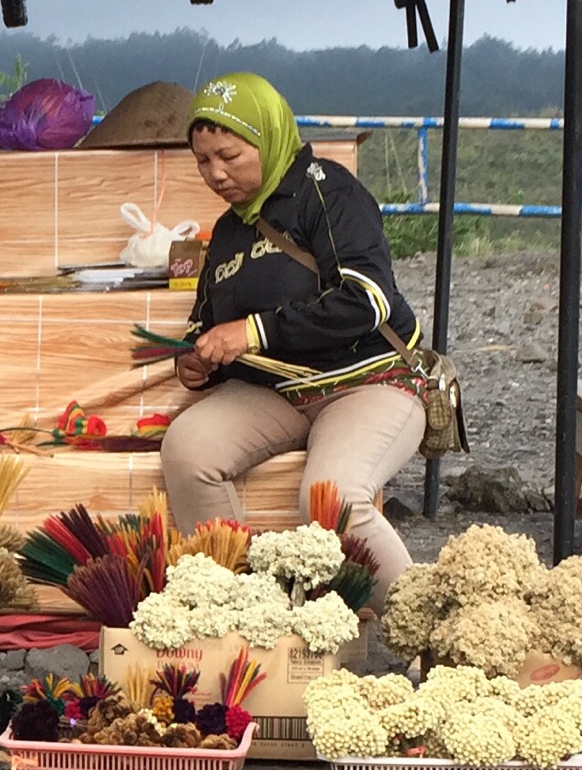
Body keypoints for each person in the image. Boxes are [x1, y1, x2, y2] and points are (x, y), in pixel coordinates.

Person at [159, 72, 429, 589]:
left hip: (367, 381)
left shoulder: (327, 192)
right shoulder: (230, 230)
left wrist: (254, 332)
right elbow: (207, 321)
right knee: (188, 450)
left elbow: (367, 299)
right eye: (203, 161)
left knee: (332, 497)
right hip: (278, 393)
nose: (216, 173)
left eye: (229, 156)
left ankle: (421, 620)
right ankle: (238, 601)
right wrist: (196, 362)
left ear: (267, 138)